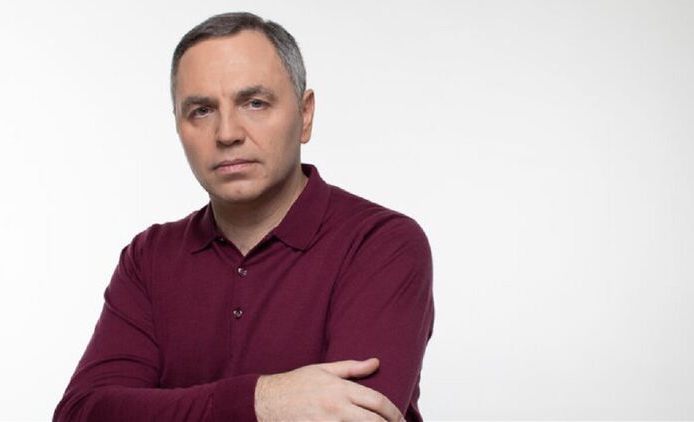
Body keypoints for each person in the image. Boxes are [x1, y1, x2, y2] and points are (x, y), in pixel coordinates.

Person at [53, 11, 434, 422]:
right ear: (178, 127)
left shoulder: (380, 243)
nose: (227, 133)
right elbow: (82, 413)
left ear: (305, 115)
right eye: (202, 110)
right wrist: (262, 401)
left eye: (254, 103)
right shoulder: (149, 257)